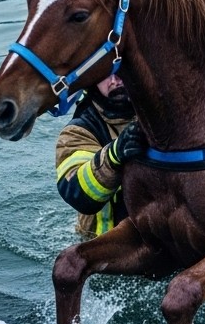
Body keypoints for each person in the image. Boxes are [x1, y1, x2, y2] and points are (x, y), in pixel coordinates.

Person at [53, 73, 141, 238]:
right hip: (102, 245)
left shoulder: (164, 114)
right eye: (106, 74)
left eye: (121, 69)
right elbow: (77, 193)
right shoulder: (77, 132)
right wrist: (114, 155)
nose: (115, 80)